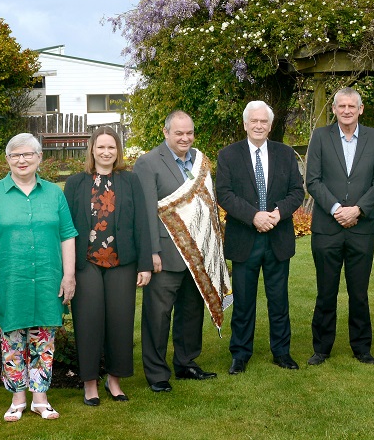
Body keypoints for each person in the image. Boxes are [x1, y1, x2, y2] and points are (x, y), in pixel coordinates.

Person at [0, 133, 77, 421]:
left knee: (44, 338)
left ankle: (40, 399)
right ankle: (18, 399)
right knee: (12, 338)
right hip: (9, 279)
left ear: (39, 158)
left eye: (28, 154)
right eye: (15, 155)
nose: (22, 160)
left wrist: (69, 276)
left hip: (47, 277)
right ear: (7, 159)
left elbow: (67, 235)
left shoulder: (54, 193)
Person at [216, 100, 306, 373]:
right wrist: (254, 216)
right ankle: (240, 354)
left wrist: (277, 214)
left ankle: (282, 352)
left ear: (270, 125)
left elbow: (297, 191)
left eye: (263, 121)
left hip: (277, 238)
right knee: (243, 302)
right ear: (245, 124)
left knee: (279, 300)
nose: (258, 125)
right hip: (245, 238)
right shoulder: (228, 155)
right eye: (253, 121)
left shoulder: (285, 153)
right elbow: (225, 193)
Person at [65, 127, 153, 405]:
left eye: (111, 148)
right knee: (88, 321)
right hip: (86, 262)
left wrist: (145, 264)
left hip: (121, 262)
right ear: (91, 150)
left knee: (120, 321)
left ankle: (114, 380)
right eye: (101, 147)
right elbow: (66, 228)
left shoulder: (130, 181)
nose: (106, 152)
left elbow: (142, 222)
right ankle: (89, 382)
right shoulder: (76, 183)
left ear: (118, 152)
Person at [135, 111, 219, 391]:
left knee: (191, 312)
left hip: (196, 253)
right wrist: (152, 253)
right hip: (165, 254)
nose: (185, 138)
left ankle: (186, 363)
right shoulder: (147, 163)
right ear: (166, 132)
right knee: (158, 317)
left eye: (189, 133)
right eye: (179, 133)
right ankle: (157, 374)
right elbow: (146, 211)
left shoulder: (199, 161)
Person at [304, 88, 374, 366]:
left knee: (359, 292)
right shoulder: (320, 137)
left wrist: (359, 210)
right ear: (335, 110)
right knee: (326, 291)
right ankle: (322, 348)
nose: (347, 110)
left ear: (360, 109)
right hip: (328, 228)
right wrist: (337, 209)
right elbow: (313, 180)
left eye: (352, 106)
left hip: (361, 229)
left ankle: (362, 347)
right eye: (342, 106)